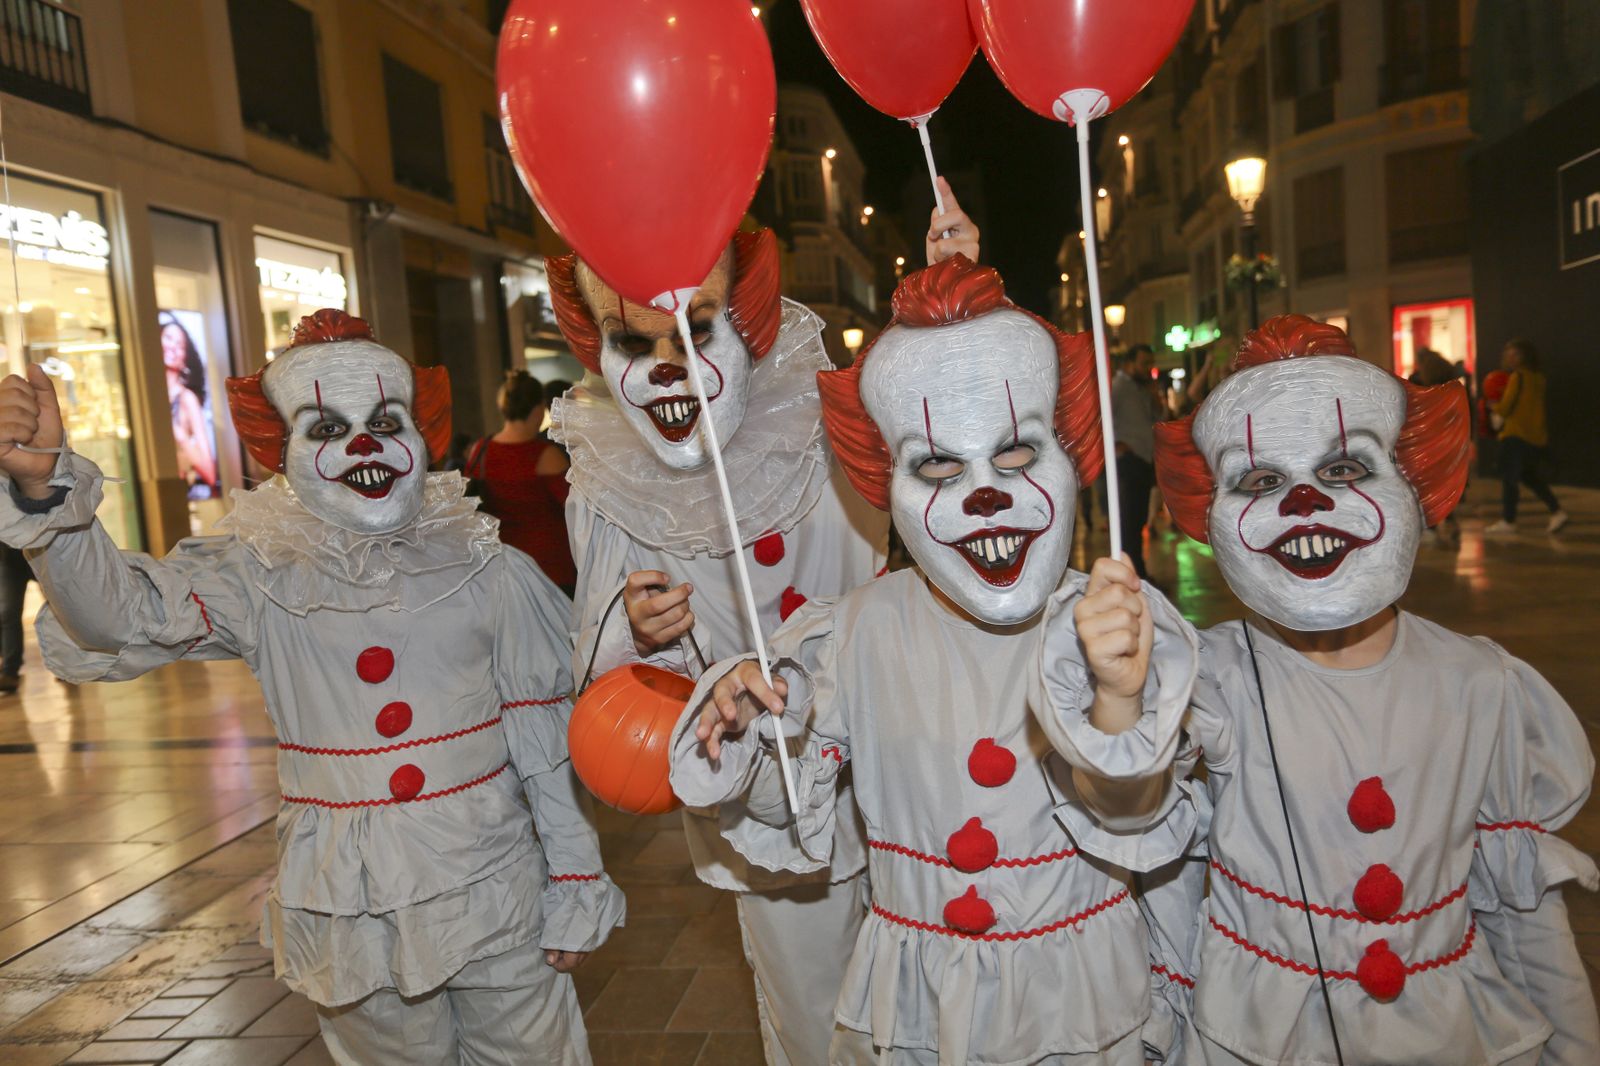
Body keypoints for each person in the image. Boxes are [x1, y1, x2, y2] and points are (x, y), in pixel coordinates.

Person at [0, 309, 624, 1065]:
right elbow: (113, 620)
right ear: (282, 453)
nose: (364, 445)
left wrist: (576, 874)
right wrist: (48, 501)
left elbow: (543, 739)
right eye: (326, 430)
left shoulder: (489, 568)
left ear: (420, 439)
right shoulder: (255, 573)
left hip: (494, 882)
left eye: (383, 421)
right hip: (345, 896)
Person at [1037, 316, 1599, 1065]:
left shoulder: (1480, 683)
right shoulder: (1211, 677)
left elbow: (1528, 916)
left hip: (1452, 1031)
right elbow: (1128, 816)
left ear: (1417, 484)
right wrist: (1118, 697)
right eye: (1262, 480)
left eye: (1343, 470)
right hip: (1263, 1035)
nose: (1303, 503)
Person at [672, 255, 1182, 1064]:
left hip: (1074, 998)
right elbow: (790, 815)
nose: (982, 493)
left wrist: (1118, 696)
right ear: (885, 478)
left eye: (1015, 455)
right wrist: (744, 734)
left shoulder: (1115, 622)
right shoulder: (849, 634)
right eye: (938, 465)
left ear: (1072, 450)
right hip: (918, 1006)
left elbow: (1140, 818)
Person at [551, 182, 978, 1065]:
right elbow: (594, 682)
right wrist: (637, 631)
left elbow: (961, 433)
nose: (668, 366)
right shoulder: (608, 481)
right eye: (635, 341)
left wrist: (957, 301)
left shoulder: (832, 416)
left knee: (945, 1004)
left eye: (696, 328)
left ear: (745, 323)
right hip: (766, 801)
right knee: (817, 1024)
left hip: (904, 765)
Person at [467, 370, 576, 594]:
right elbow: (575, 507)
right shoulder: (544, 455)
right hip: (551, 568)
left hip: (503, 565)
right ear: (538, 410)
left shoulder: (481, 449)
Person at [1486, 339, 1568, 535]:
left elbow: (1506, 407)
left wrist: (1492, 406)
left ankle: (1509, 520)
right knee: (1529, 476)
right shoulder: (1539, 378)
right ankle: (1557, 511)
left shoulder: (1518, 377)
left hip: (1515, 435)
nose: (1510, 358)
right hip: (1535, 437)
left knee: (1509, 478)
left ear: (1523, 357)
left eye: (1514, 354)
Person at [1110, 343, 1161, 578]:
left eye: (1151, 363)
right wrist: (1116, 446)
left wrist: (1154, 394)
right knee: (1129, 520)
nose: (1148, 368)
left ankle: (1137, 569)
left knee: (1139, 518)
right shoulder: (1118, 386)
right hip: (1128, 460)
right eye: (1144, 363)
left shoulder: (1141, 388)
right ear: (1130, 363)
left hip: (1143, 458)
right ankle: (1132, 572)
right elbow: (1102, 418)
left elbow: (1159, 416)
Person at [159, 313, 218, 497]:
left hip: (179, 492)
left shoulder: (186, 399)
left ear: (185, 357)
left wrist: (180, 434)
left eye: (181, 345)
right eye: (169, 338)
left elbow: (210, 473)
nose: (173, 347)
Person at [0, 542, 29, 693]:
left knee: (58, 610)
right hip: (9, 558)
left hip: (43, 551)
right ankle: (10, 672)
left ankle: (66, 662)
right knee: (8, 613)